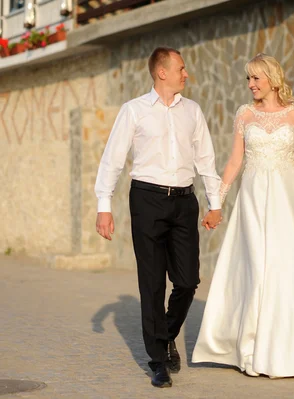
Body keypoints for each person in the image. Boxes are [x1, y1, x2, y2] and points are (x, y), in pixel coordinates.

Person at [191, 53, 294, 379]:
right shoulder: (244, 115)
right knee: (258, 267)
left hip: (287, 199)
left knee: (289, 268)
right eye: (248, 79)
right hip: (253, 197)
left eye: (255, 78)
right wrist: (217, 201)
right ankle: (252, 348)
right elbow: (234, 161)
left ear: (272, 79)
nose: (250, 85)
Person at [94, 47, 223, 388]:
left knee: (187, 281)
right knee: (151, 284)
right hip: (147, 200)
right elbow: (113, 159)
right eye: (181, 68)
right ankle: (157, 361)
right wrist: (104, 206)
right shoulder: (134, 111)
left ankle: (166, 334)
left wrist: (215, 202)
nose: (186, 74)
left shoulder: (192, 111)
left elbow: (206, 159)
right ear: (161, 72)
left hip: (184, 201)